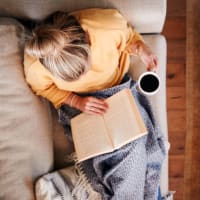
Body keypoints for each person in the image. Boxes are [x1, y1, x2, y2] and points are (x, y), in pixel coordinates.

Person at [24, 8, 165, 200]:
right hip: (78, 104)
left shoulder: (106, 26)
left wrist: (140, 48)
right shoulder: (36, 64)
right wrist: (76, 100)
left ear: (89, 37)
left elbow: (129, 38)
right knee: (109, 153)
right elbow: (44, 89)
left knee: (138, 145)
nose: (84, 77)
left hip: (116, 90)